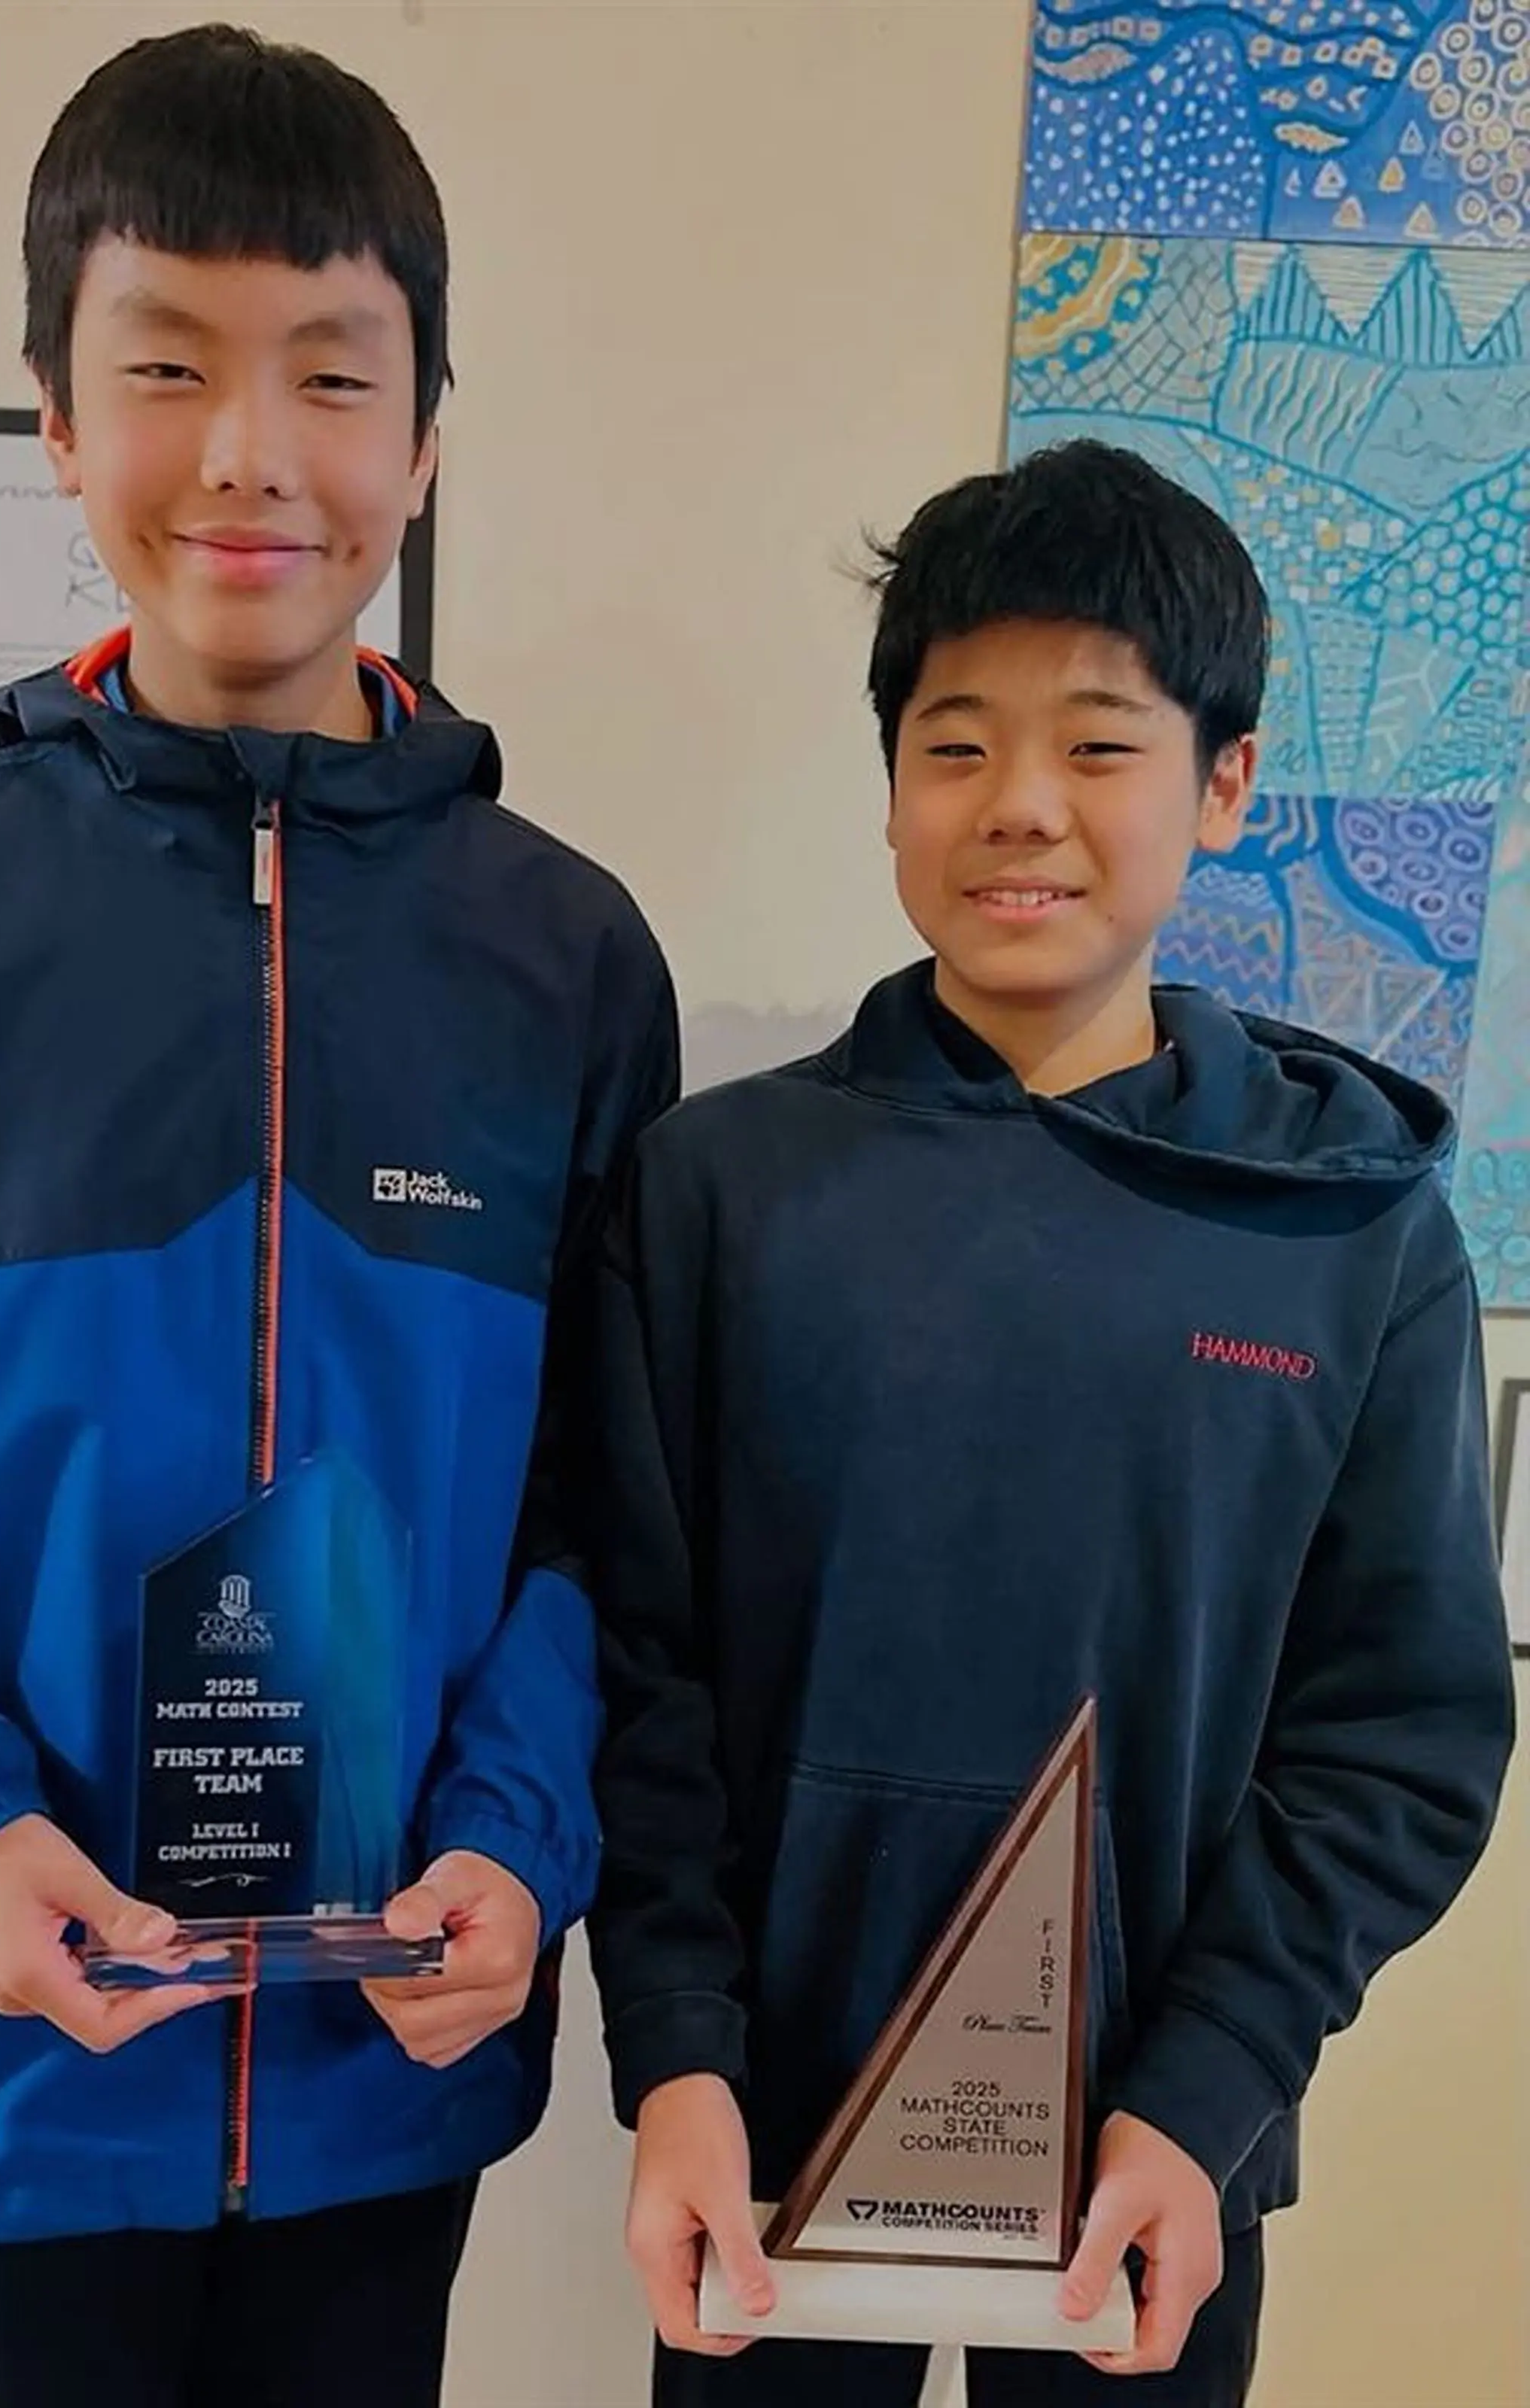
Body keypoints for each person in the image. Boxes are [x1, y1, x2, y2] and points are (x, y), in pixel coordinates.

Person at [0, 26, 676, 2408]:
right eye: (170, 364)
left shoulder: (563, 958)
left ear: (424, 431)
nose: (251, 453)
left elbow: (605, 1515)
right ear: (56, 415)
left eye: (332, 372)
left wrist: (519, 1854)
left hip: (368, 2086)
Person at [587, 439, 1513, 2408]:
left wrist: (1206, 2093)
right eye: (954, 745)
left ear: (1225, 783)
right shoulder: (715, 1200)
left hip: (1151, 2172)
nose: (1019, 809)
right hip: (764, 2153)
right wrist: (672, 2058)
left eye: (1099, 747)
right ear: (892, 783)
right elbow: (630, 1673)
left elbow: (1397, 1731)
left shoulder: (1345, 1233)